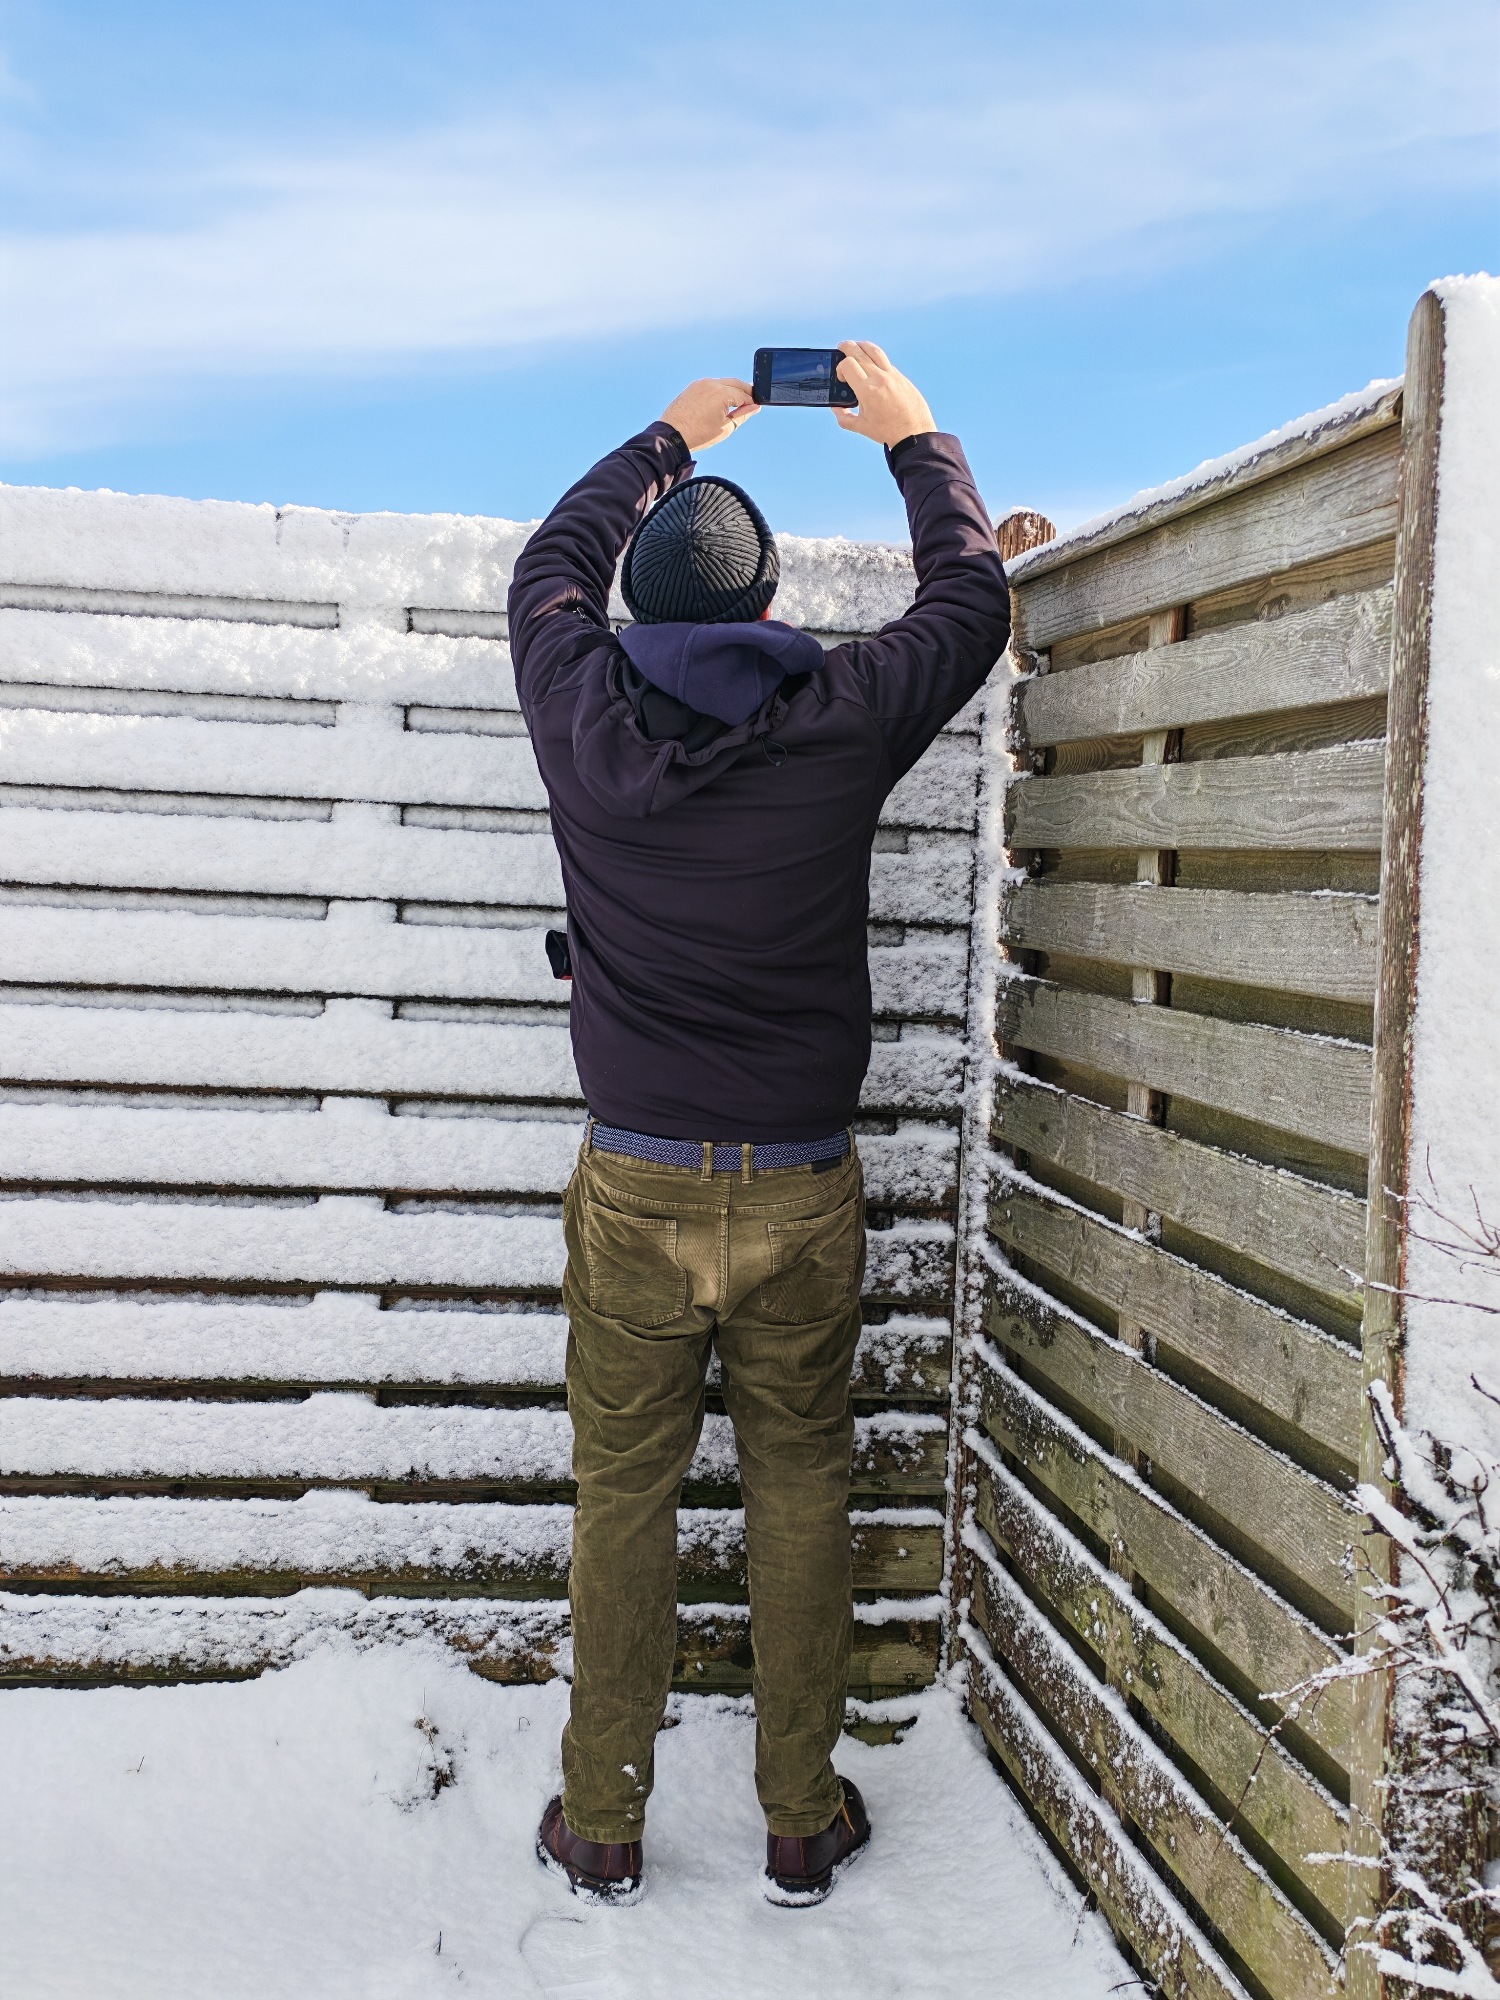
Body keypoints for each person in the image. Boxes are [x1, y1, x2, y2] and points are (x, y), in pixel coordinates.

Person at [507, 342, 1011, 1907]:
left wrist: (676, 433)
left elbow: (549, 565)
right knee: (801, 1487)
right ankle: (801, 1815)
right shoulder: (836, 714)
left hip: (635, 1182)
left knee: (625, 1496)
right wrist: (915, 440)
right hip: (800, 1187)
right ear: (772, 604)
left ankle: (603, 1820)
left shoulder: (578, 702)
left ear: (639, 607)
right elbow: (968, 608)